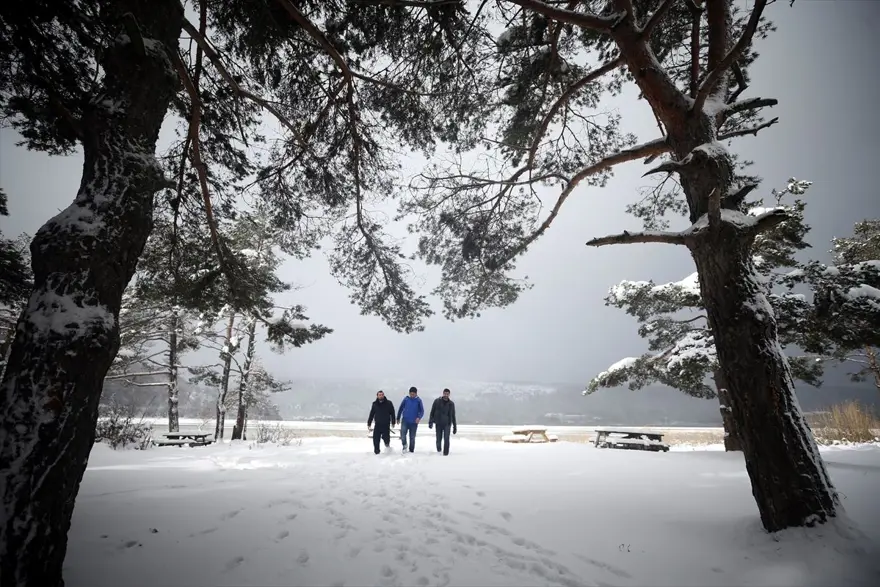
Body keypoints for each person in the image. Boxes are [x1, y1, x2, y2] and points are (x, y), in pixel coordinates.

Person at [428, 388, 457, 456]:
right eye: (445, 393)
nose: (446, 395)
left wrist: (455, 427)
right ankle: (439, 450)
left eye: (447, 394)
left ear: (449, 394)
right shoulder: (437, 401)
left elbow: (453, 415)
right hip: (438, 422)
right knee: (438, 438)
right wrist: (430, 422)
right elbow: (432, 412)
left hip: (447, 423)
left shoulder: (451, 404)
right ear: (443, 393)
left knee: (446, 438)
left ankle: (445, 453)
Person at [367, 390, 396, 454]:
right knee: (376, 438)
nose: (381, 396)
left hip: (386, 424)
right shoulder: (374, 404)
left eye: (382, 395)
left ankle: (387, 446)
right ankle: (377, 452)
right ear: (377, 396)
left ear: (384, 395)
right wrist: (369, 423)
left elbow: (392, 413)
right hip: (378, 424)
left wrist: (393, 422)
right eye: (379, 395)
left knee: (386, 438)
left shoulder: (389, 403)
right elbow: (372, 414)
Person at [396, 386, 424, 453]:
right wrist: (398, 417)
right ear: (409, 393)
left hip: (414, 422)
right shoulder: (406, 399)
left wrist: (419, 417)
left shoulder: (418, 401)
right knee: (402, 434)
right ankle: (404, 445)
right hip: (405, 420)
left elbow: (422, 411)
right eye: (411, 394)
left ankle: (411, 450)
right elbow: (401, 408)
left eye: (413, 394)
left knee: (412, 437)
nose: (412, 395)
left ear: (416, 394)